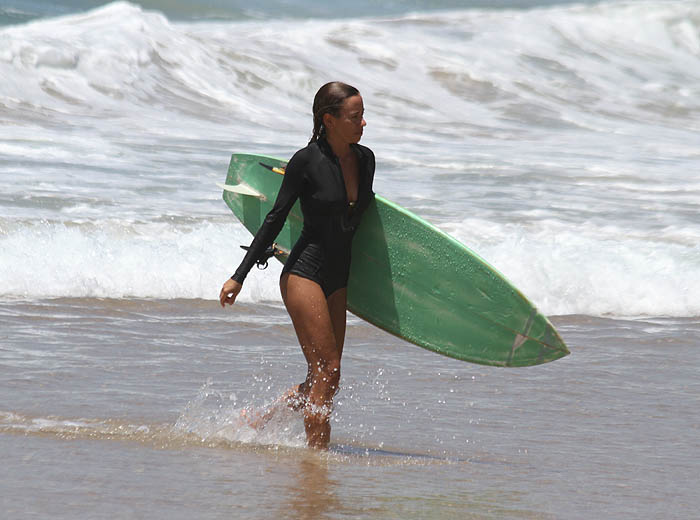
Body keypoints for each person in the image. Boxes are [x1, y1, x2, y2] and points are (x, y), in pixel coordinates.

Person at [219, 81, 375, 449]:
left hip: (339, 276)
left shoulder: (365, 159)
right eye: (355, 117)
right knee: (328, 369)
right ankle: (317, 460)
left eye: (363, 115)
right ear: (329, 120)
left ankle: (262, 419)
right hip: (305, 272)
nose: (363, 123)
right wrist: (239, 276)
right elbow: (275, 218)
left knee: (327, 377)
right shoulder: (306, 161)